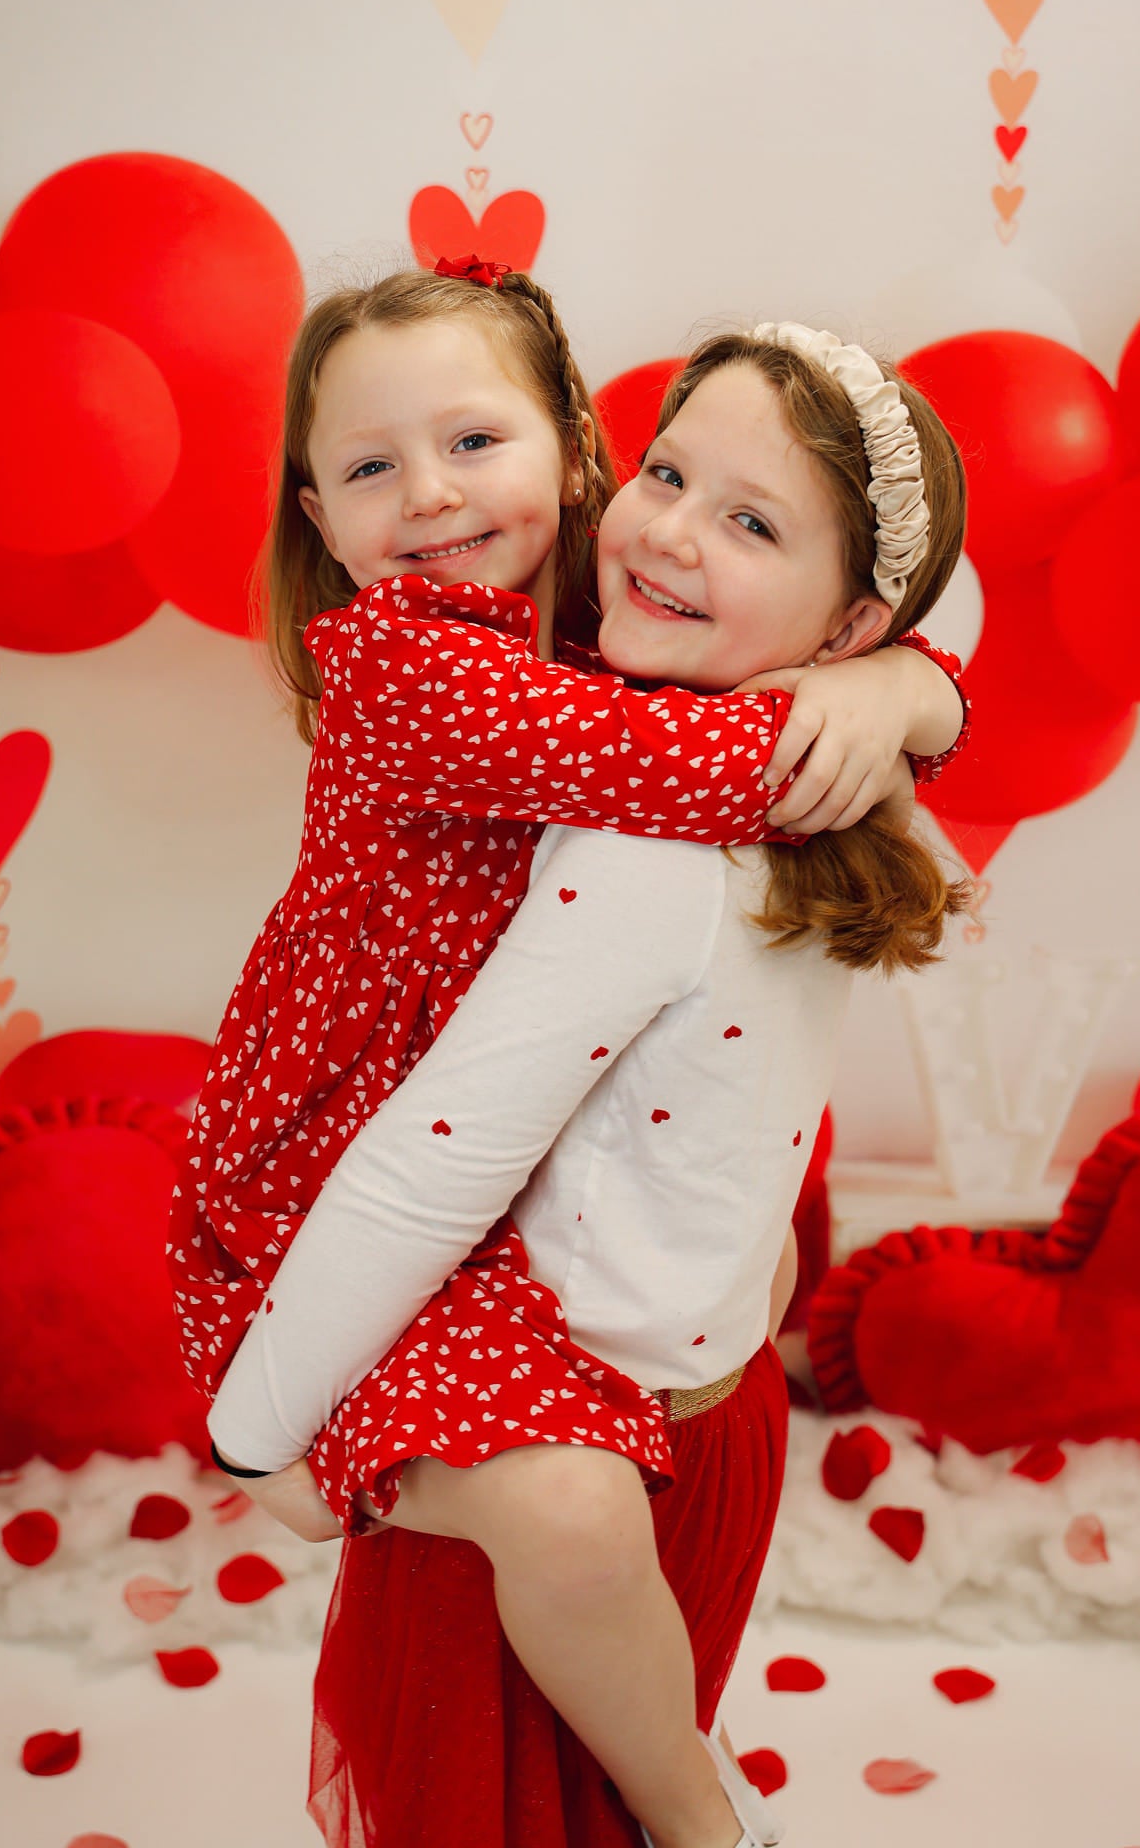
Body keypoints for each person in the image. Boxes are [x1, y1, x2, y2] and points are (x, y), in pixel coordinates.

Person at [169, 270, 968, 1848]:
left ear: (574, 456)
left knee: (594, 1523)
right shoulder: (418, 666)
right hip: (328, 1181)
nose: (432, 494)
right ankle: (699, 1820)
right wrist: (902, 682)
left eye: (472, 437)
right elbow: (725, 753)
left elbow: (894, 554)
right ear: (316, 517)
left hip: (481, 1206)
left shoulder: (599, 604)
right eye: (370, 468)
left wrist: (899, 667)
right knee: (568, 1510)